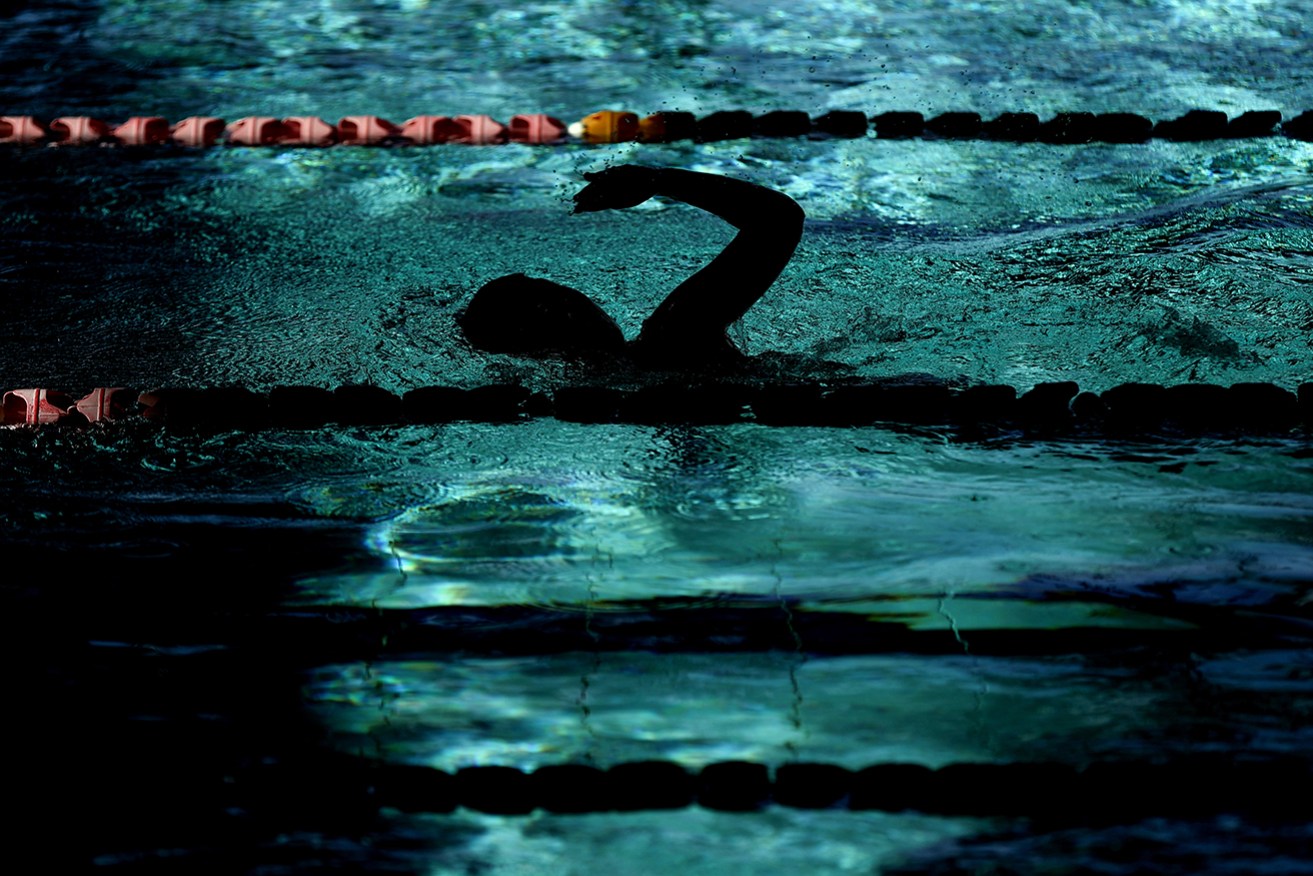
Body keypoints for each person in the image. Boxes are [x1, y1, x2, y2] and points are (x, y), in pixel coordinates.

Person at [458, 165, 805, 369]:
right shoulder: (673, 338)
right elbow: (778, 220)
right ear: (561, 316)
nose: (576, 294)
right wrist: (656, 180)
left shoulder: (593, 398)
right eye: (557, 292)